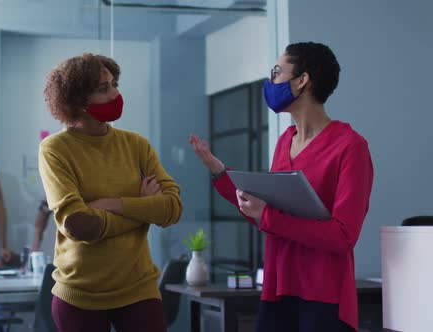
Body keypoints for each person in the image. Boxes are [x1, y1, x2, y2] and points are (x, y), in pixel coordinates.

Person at [190, 42, 373, 332]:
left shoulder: (350, 147)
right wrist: (218, 171)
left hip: (323, 295)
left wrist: (267, 216)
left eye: (277, 72)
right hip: (278, 289)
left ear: (303, 80)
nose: (270, 81)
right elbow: (267, 218)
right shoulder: (285, 141)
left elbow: (343, 236)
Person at [39, 53, 182, 332]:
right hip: (79, 293)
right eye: (103, 88)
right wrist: (142, 209)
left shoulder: (136, 145)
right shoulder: (55, 149)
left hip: (139, 288)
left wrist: (113, 204)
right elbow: (79, 224)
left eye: (114, 84)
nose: (115, 93)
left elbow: (172, 208)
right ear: (78, 100)